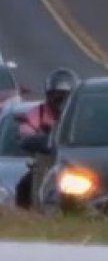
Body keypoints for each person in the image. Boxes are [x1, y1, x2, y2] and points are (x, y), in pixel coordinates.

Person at [15, 68, 79, 209]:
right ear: (48, 95)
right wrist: (40, 140)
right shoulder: (37, 113)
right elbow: (26, 132)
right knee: (23, 187)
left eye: (66, 96)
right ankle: (28, 219)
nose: (60, 100)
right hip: (46, 163)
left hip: (77, 165)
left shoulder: (82, 113)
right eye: (56, 95)